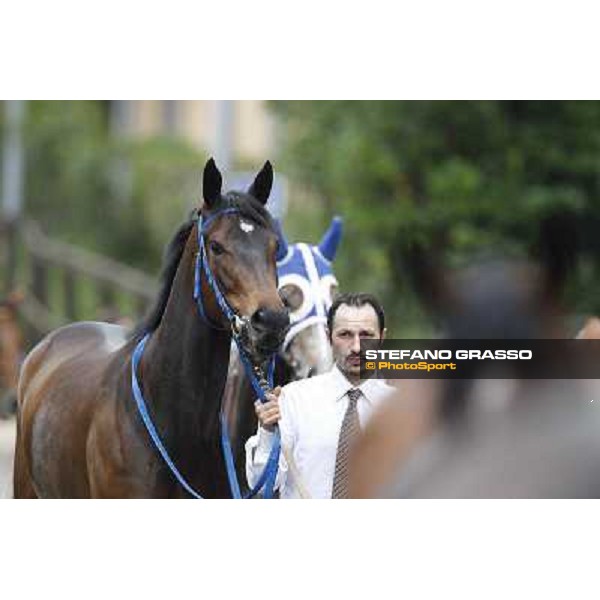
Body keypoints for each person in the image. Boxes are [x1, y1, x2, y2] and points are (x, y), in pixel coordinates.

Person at [245, 292, 395, 498]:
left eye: (366, 335)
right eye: (345, 335)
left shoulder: (402, 409)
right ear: (328, 335)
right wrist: (268, 432)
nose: (357, 347)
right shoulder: (292, 400)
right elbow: (261, 486)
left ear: (382, 338)